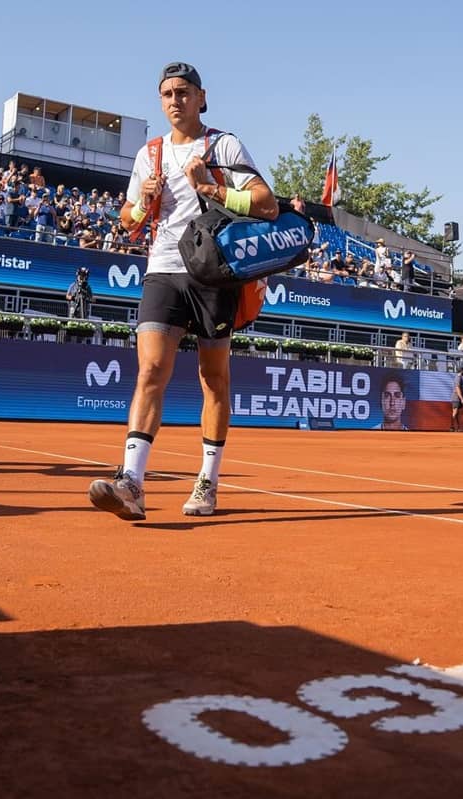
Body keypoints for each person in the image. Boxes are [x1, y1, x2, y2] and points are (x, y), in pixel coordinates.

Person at [88, 62, 278, 521]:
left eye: (184, 92)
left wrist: (209, 186)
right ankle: (131, 481)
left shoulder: (223, 144)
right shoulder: (147, 154)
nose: (175, 100)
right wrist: (144, 203)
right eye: (167, 93)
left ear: (201, 97)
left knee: (214, 378)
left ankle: (207, 482)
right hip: (163, 268)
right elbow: (127, 221)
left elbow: (266, 202)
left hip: (213, 273)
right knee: (151, 369)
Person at [451, 367, 463, 431]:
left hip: (458, 398)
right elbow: (457, 388)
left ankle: (458, 427)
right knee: (455, 412)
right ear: (462, 371)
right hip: (456, 398)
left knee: (457, 413)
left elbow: (461, 389)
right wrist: (461, 398)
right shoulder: (458, 378)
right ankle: (452, 427)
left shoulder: (460, 378)